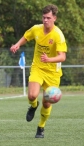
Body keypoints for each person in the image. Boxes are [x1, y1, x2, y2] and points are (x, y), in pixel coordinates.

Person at [10, 4, 67, 138]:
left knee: (47, 102)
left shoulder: (58, 35)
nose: (45, 20)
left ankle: (41, 127)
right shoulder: (36, 29)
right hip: (38, 68)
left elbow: (62, 56)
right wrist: (17, 44)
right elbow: (26, 36)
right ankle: (33, 106)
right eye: (44, 17)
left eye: (48, 18)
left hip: (53, 73)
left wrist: (49, 59)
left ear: (54, 18)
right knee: (32, 96)